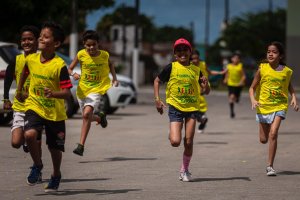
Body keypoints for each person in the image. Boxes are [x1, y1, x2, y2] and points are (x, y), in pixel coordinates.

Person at [16, 21, 72, 192]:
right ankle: (38, 165)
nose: (40, 38)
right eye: (40, 35)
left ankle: (56, 174)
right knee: (30, 134)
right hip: (34, 105)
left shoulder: (59, 65)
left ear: (55, 43)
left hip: (55, 113)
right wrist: (19, 90)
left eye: (45, 36)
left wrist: (53, 94)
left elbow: (67, 93)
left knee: (55, 148)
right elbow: (25, 73)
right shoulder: (31, 59)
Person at [153, 38, 210, 182]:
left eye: (185, 50)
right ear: (174, 53)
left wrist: (206, 85)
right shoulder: (171, 67)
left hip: (192, 109)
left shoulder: (197, 70)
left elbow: (207, 90)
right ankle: (173, 132)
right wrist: (157, 100)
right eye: (179, 50)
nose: (182, 52)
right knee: (175, 142)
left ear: (190, 52)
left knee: (189, 141)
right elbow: (157, 81)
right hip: (176, 108)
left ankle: (184, 170)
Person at [249, 41, 299, 176]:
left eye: (274, 52)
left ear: (281, 56)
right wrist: (253, 99)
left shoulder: (286, 71)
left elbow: (288, 86)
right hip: (263, 106)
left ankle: (270, 166)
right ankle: (265, 137)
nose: (270, 54)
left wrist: (294, 97)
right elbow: (252, 87)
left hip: (280, 105)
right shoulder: (262, 68)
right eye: (269, 51)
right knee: (263, 139)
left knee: (273, 133)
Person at [68, 30, 118, 156]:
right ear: (84, 44)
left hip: (97, 89)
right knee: (87, 117)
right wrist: (73, 74)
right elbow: (69, 68)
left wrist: (115, 79)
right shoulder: (81, 55)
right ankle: (100, 118)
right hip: (82, 90)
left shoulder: (104, 55)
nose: (91, 48)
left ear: (98, 44)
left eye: (94, 44)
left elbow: (111, 64)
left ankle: (81, 146)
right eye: (88, 45)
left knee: (86, 115)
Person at [3, 25, 43, 157]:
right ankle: (26, 140)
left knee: (35, 139)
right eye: (23, 39)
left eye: (30, 39)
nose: (26, 42)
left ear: (37, 40)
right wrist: (6, 98)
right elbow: (8, 79)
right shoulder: (17, 60)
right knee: (15, 143)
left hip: (37, 106)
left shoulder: (42, 60)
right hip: (20, 106)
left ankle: (37, 167)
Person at [190, 50, 221, 133]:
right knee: (195, 105)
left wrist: (220, 72)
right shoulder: (189, 66)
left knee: (196, 104)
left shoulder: (203, 64)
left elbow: (210, 72)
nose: (195, 60)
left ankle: (202, 118)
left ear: (199, 57)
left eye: (197, 58)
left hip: (204, 84)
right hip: (194, 86)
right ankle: (202, 119)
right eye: (193, 59)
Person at [223, 52, 246, 118]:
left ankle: (237, 98)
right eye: (234, 58)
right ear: (231, 59)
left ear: (239, 60)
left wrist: (241, 81)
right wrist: (225, 79)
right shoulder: (229, 66)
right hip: (231, 84)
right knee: (231, 97)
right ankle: (232, 112)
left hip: (239, 85)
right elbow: (227, 74)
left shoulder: (240, 66)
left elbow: (244, 76)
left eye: (237, 58)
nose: (236, 59)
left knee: (236, 98)